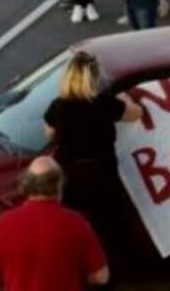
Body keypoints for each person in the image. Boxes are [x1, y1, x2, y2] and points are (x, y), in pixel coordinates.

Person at [43, 53, 142, 251]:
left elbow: (48, 135)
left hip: (70, 177)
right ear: (93, 79)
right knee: (107, 228)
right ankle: (106, 271)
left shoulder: (58, 106)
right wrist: (124, 99)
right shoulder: (104, 104)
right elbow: (137, 113)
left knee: (77, 227)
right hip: (102, 175)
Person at [0, 157, 109, 291]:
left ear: (26, 184)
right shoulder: (77, 223)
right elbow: (101, 276)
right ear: (58, 185)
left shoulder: (3, 223)